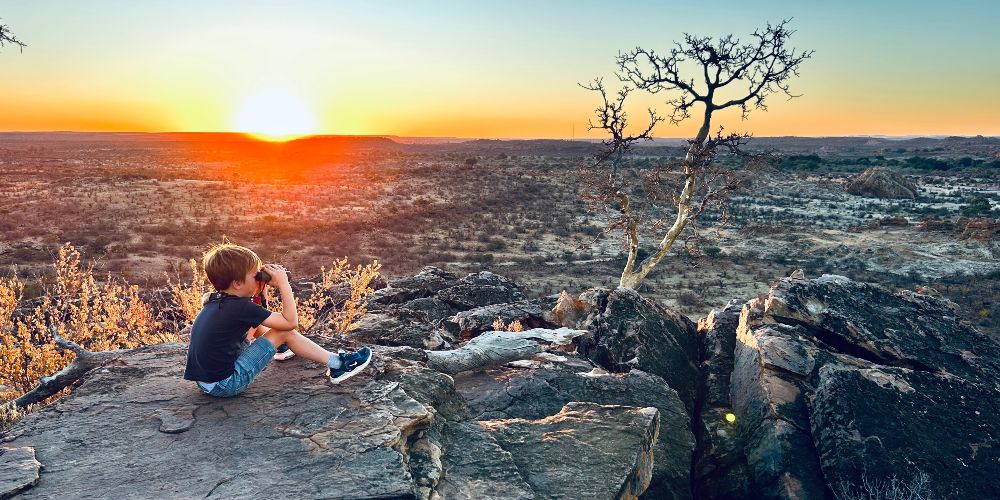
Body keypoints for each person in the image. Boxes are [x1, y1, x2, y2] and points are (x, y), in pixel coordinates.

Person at [183, 243, 372, 397]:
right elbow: (289, 323)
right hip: (226, 384)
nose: (260, 279)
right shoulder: (240, 307)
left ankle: (281, 347)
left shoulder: (216, 300)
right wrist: (283, 284)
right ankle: (339, 366)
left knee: (258, 326)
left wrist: (260, 293)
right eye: (255, 275)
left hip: (205, 382)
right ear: (238, 283)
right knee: (285, 332)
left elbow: (258, 319)